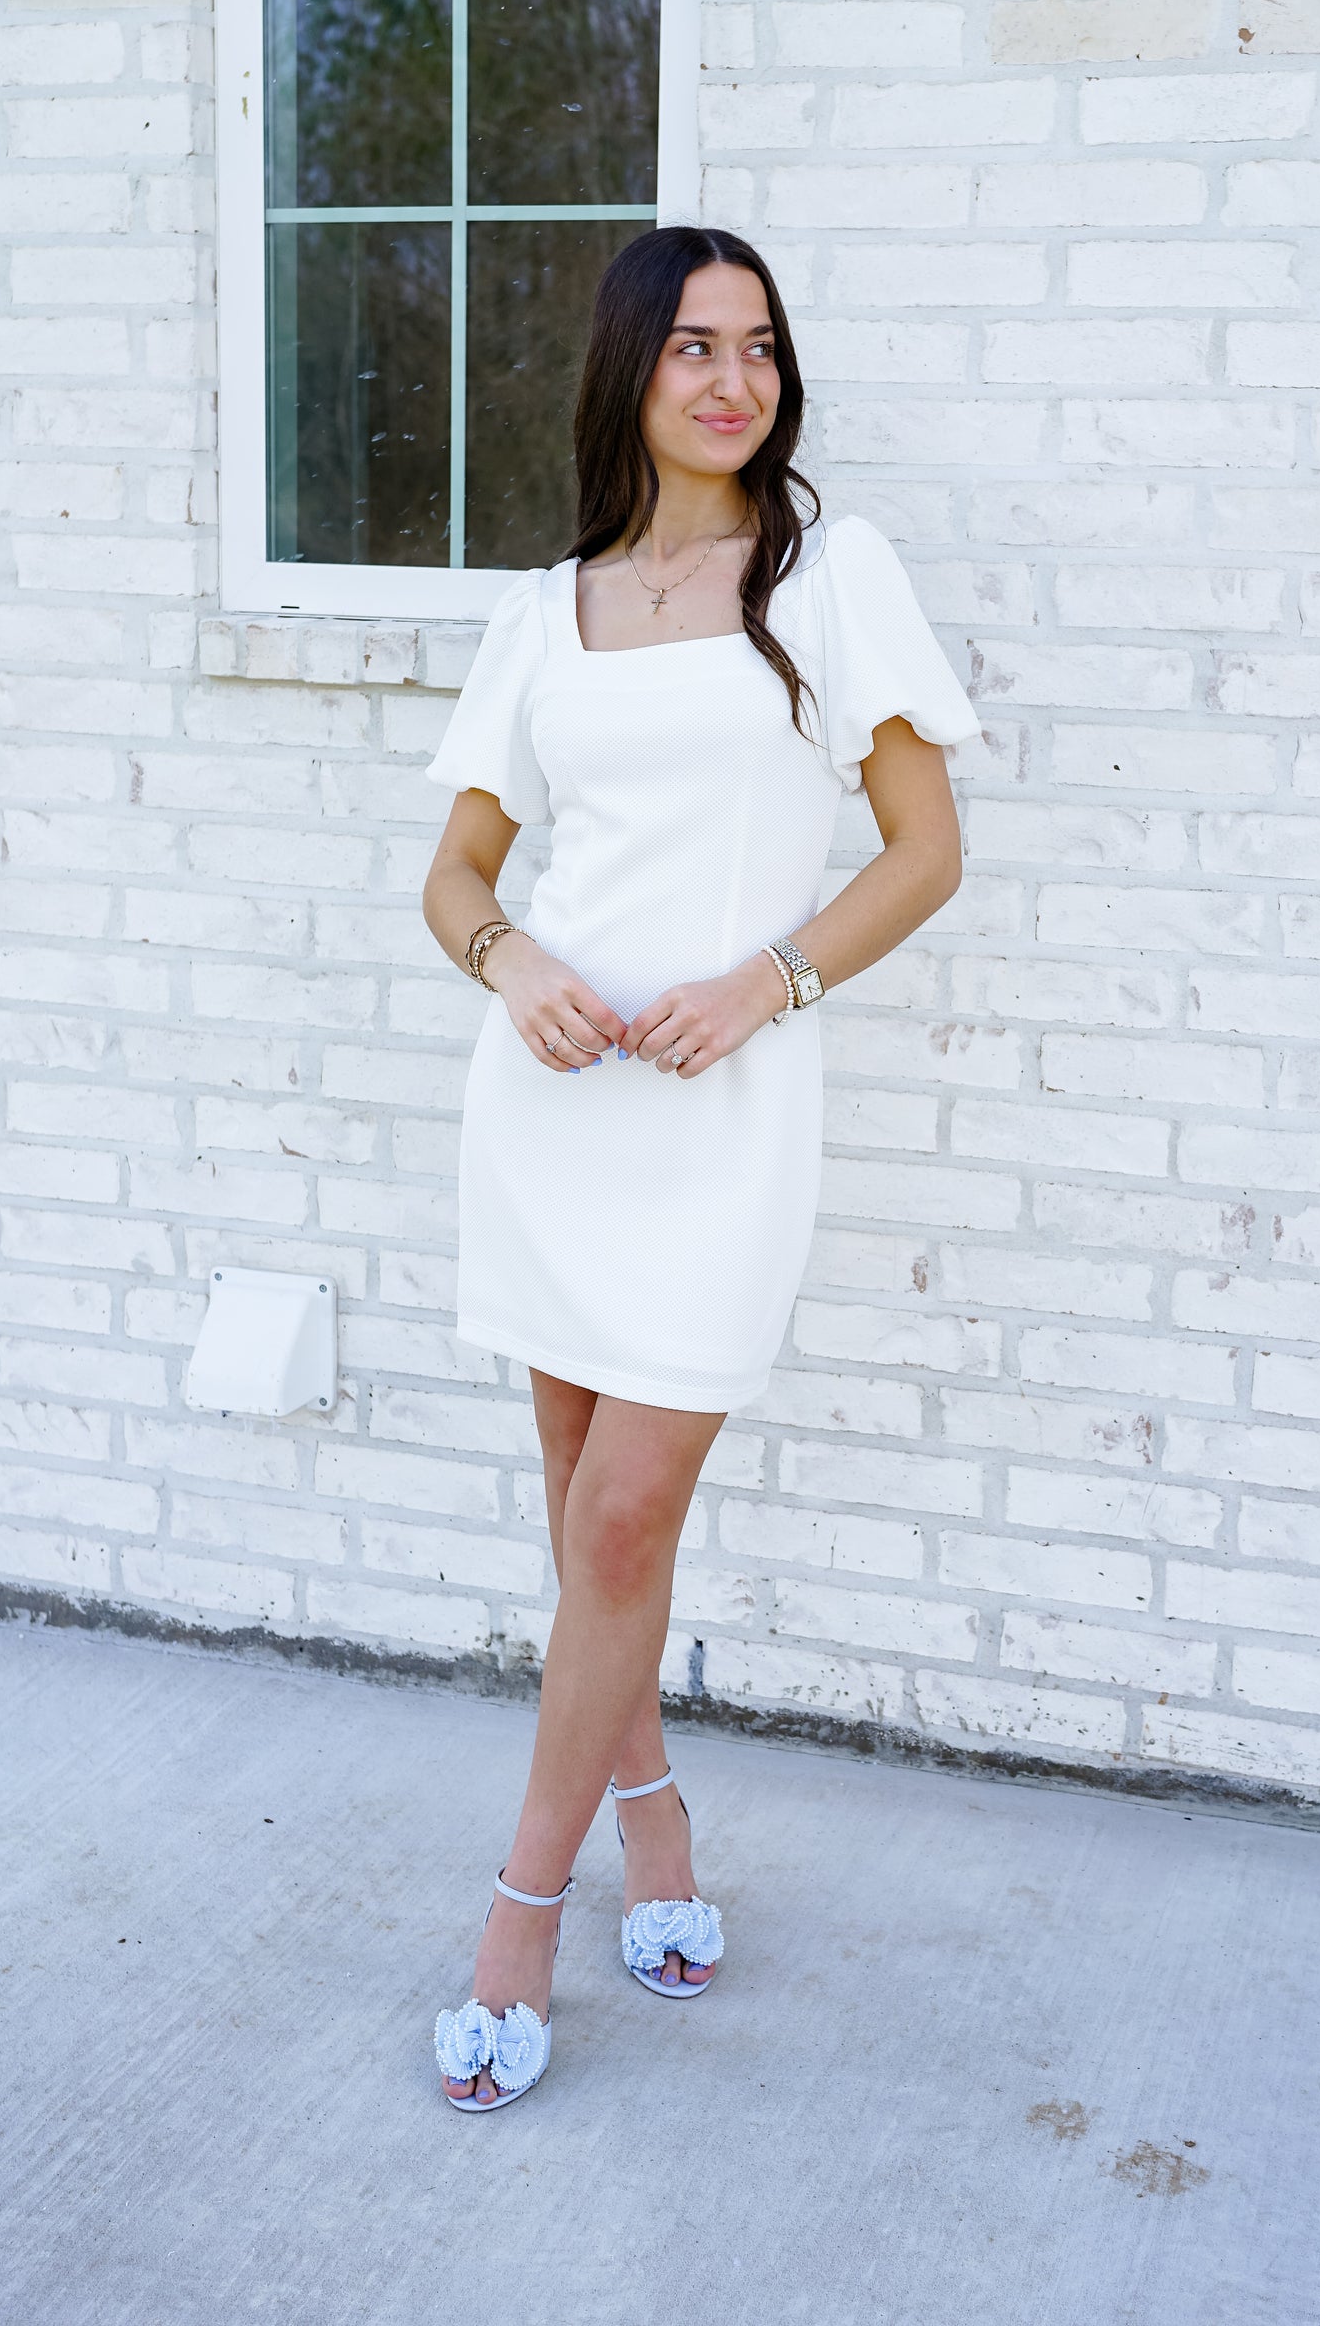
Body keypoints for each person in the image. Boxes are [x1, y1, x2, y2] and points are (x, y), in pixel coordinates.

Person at [420, 224, 979, 2109]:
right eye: (690, 349)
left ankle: (517, 1914)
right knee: (591, 1521)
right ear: (628, 377)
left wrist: (768, 980)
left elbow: (922, 848)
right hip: (553, 1113)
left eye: (755, 346)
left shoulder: (831, 579)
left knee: (622, 1524)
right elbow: (457, 875)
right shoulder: (547, 608)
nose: (731, 380)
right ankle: (650, 1822)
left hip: (721, 1121)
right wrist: (516, 965)